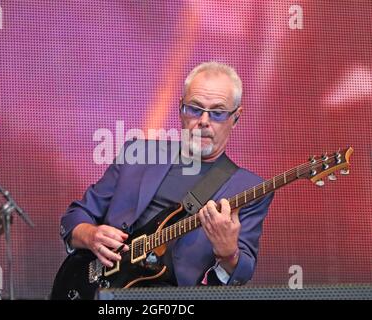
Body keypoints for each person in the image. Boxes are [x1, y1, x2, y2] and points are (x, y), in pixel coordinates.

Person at [60, 61, 274, 287]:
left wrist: (229, 254)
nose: (203, 121)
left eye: (218, 113)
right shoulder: (138, 153)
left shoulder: (249, 189)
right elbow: (77, 215)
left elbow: (242, 271)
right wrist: (89, 235)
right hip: (94, 286)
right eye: (194, 108)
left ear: (236, 117)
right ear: (181, 108)